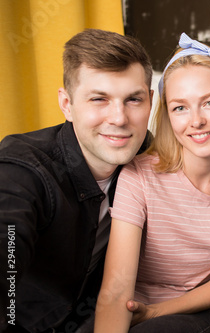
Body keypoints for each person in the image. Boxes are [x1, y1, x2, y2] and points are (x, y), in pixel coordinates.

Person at [94, 33, 210, 333]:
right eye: (180, 108)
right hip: (128, 305)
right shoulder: (139, 177)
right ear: (168, 116)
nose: (196, 121)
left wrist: (155, 313)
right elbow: (115, 290)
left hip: (194, 311)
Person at [0, 29, 153, 332]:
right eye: (99, 99)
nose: (119, 118)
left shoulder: (152, 157)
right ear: (67, 104)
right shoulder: (22, 169)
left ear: (150, 101)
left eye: (133, 99)